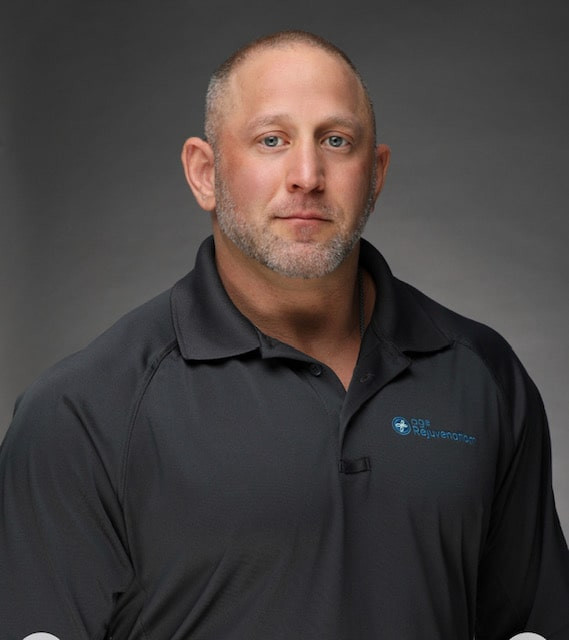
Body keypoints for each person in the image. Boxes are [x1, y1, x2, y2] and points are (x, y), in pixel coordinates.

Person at [1, 30, 568, 640]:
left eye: (336, 140)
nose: (307, 175)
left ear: (375, 174)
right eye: (272, 140)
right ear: (204, 173)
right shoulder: (84, 412)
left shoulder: (484, 375)